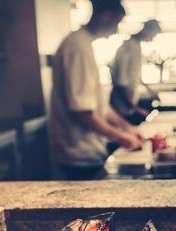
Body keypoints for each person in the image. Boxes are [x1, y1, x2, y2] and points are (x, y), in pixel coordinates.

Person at [49, 0, 143, 181]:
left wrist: (126, 127)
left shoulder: (83, 44)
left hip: (88, 149)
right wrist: (121, 137)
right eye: (117, 22)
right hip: (77, 152)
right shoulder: (77, 47)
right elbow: (82, 111)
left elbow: (100, 106)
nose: (116, 29)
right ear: (106, 17)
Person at [110, 19, 162, 124]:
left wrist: (150, 91)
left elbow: (135, 76)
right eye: (153, 35)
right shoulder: (127, 48)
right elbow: (121, 82)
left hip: (128, 102)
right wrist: (135, 108)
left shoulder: (136, 46)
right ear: (147, 30)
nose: (152, 38)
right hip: (122, 102)